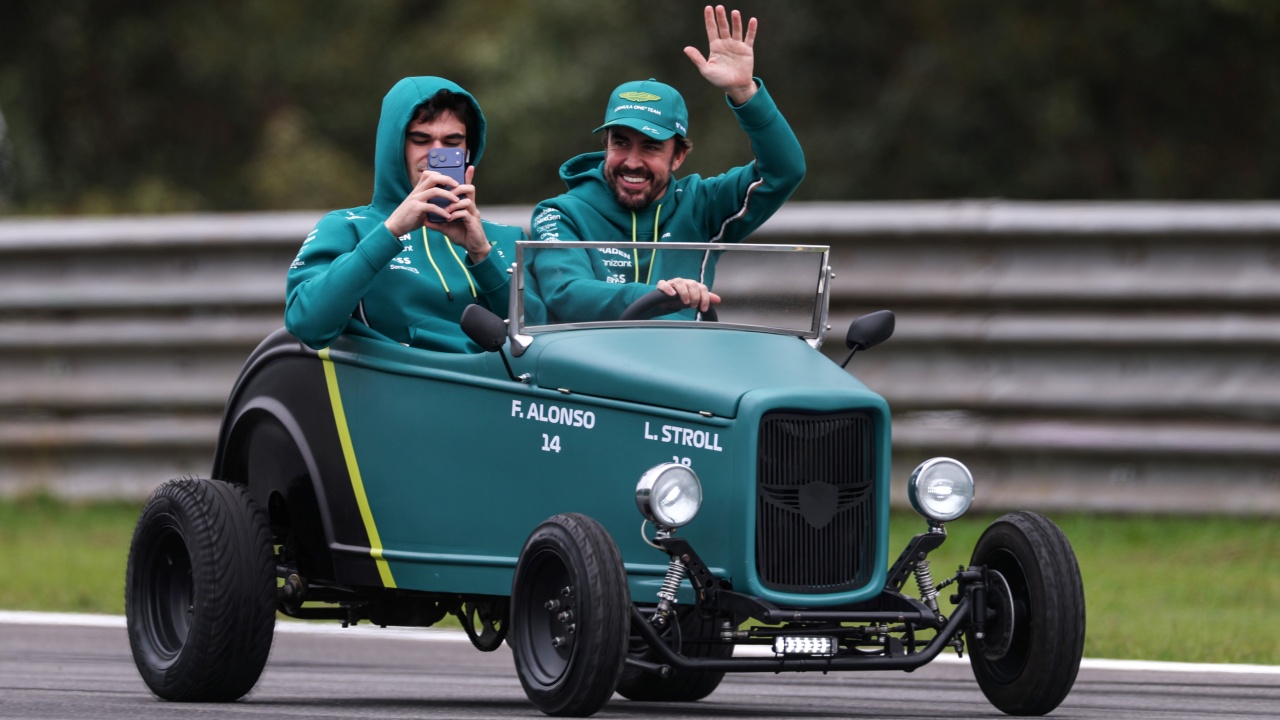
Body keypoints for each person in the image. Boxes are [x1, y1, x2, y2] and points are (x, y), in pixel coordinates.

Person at [530, 5, 805, 323]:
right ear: (605, 145)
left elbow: (784, 171)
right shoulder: (559, 213)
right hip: (592, 368)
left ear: (678, 156)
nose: (632, 162)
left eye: (651, 147)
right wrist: (660, 295)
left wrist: (744, 92)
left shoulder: (703, 205)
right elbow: (565, 294)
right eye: (620, 143)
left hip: (680, 365)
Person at [286, 76, 535, 352]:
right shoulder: (347, 228)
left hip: (492, 390)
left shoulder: (505, 237)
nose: (436, 154)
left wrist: (482, 255)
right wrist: (389, 232)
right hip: (401, 389)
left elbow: (545, 344)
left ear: (468, 151)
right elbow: (305, 325)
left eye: (452, 142)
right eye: (421, 139)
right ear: (395, 147)